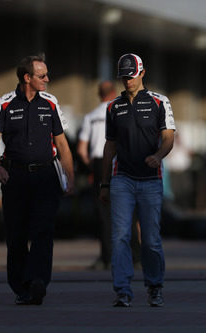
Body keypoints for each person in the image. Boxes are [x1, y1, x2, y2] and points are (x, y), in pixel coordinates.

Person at [0, 54, 74, 305]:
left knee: (43, 230)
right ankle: (21, 287)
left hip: (46, 176)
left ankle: (37, 281)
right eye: (42, 75)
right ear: (27, 78)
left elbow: (62, 144)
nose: (47, 79)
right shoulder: (3, 104)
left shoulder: (51, 103)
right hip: (15, 177)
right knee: (16, 235)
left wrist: (70, 177)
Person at [99, 53, 175, 307]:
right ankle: (122, 290)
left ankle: (155, 286)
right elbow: (109, 147)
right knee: (120, 236)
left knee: (151, 238)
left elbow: (168, 138)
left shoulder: (159, 102)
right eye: (123, 76)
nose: (127, 80)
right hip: (121, 179)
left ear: (142, 73)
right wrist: (104, 183)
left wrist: (158, 155)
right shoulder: (113, 107)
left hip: (151, 180)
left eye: (131, 75)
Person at [77, 81, 117, 269]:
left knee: (103, 213)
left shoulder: (91, 117)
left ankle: (106, 257)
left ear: (98, 94)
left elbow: (81, 149)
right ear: (114, 93)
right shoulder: (119, 111)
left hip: (99, 164)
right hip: (118, 162)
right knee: (127, 210)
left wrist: (91, 166)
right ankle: (134, 257)